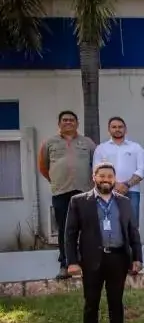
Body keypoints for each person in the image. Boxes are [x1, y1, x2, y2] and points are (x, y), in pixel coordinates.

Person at [64, 162, 143, 323]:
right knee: (92, 303)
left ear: (114, 179)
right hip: (92, 260)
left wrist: (137, 258)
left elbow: (133, 232)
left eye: (109, 176)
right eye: (102, 176)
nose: (106, 179)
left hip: (118, 259)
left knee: (116, 302)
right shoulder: (79, 201)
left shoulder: (123, 202)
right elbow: (70, 234)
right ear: (94, 177)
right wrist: (72, 261)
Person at [38, 110, 96, 280]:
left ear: (77, 123)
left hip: (84, 192)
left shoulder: (88, 143)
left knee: (86, 228)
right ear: (59, 124)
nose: (68, 122)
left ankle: (86, 263)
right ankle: (65, 263)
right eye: (64, 120)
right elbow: (43, 166)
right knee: (64, 229)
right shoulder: (49, 143)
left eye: (71, 120)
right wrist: (56, 180)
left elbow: (96, 163)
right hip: (61, 192)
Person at [92, 116, 144, 219]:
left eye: (120, 127)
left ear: (125, 129)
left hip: (131, 191)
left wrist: (126, 185)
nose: (117, 129)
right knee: (110, 224)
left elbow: (141, 170)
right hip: (107, 191)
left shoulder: (136, 147)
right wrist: (114, 185)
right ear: (109, 129)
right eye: (114, 127)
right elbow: (96, 170)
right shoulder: (101, 148)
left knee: (132, 225)